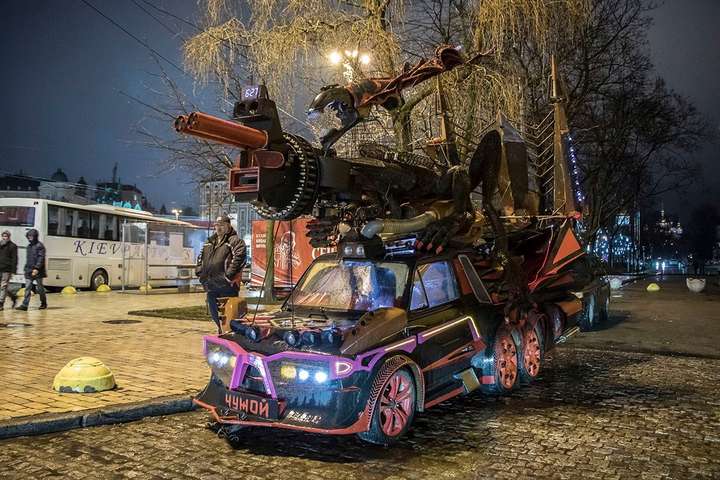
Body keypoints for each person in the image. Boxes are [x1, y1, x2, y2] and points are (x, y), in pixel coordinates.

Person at [196, 215, 246, 333]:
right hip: (210, 284)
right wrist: (200, 272)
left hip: (226, 286)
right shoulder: (209, 242)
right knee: (214, 313)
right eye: (217, 225)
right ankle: (221, 331)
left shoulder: (235, 241)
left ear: (228, 226)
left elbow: (239, 257)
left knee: (229, 314)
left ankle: (229, 333)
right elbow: (200, 257)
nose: (218, 228)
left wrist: (228, 275)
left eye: (222, 225)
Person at [16, 229, 47, 311]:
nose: (29, 238)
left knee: (40, 288)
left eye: (31, 236)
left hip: (38, 271)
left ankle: (43, 303)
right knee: (27, 288)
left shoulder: (40, 246)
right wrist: (26, 269)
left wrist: (37, 268)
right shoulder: (29, 246)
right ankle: (24, 305)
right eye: (28, 236)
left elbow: (41, 258)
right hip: (29, 270)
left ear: (35, 236)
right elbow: (29, 259)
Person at [0, 230, 18, 311]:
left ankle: (1, 303)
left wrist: (13, 270)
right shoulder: (0, 244)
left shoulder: (13, 246)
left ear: (9, 237)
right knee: (3, 287)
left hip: (7, 269)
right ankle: (13, 297)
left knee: (3, 286)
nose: (4, 238)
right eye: (3, 236)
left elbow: (15, 259)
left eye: (6, 236)